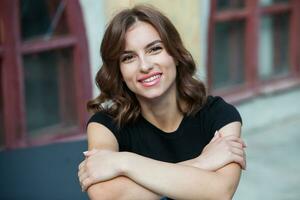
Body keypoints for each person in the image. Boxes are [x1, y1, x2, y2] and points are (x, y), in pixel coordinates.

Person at [78, 4, 246, 200]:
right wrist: (202, 163)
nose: (145, 66)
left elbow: (219, 191)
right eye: (128, 57)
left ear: (175, 54)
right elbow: (106, 195)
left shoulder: (218, 114)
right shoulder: (105, 125)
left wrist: (123, 162)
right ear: (120, 73)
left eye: (154, 49)